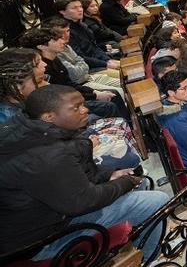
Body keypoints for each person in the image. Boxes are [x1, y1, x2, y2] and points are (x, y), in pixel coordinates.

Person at [0, 85, 168, 261]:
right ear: (49, 117)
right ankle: (148, 258)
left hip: (51, 214)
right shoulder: (46, 154)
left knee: (142, 183)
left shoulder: (31, 129)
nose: (85, 109)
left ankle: (135, 242)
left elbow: (71, 173)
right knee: (157, 201)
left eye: (82, 104)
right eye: (76, 107)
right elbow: (84, 201)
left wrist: (109, 175)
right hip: (39, 242)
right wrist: (125, 183)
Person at [55, 0, 120, 72]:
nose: (80, 10)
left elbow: (94, 48)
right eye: (74, 8)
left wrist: (108, 60)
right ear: (62, 12)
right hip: (89, 68)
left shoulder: (82, 25)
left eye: (80, 7)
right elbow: (80, 57)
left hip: (100, 62)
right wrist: (105, 64)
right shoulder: (65, 31)